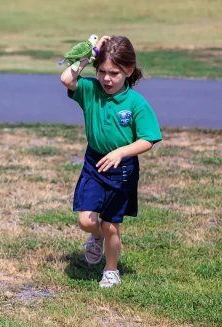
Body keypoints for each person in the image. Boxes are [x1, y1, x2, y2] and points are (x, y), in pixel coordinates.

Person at [60, 35, 162, 287]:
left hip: (121, 170)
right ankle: (95, 237)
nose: (107, 78)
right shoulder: (90, 90)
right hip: (94, 165)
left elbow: (148, 140)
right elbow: (66, 79)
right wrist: (89, 53)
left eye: (114, 73)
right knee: (86, 221)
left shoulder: (136, 104)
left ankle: (111, 270)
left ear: (128, 71)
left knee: (110, 227)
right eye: (102, 71)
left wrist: (121, 152)